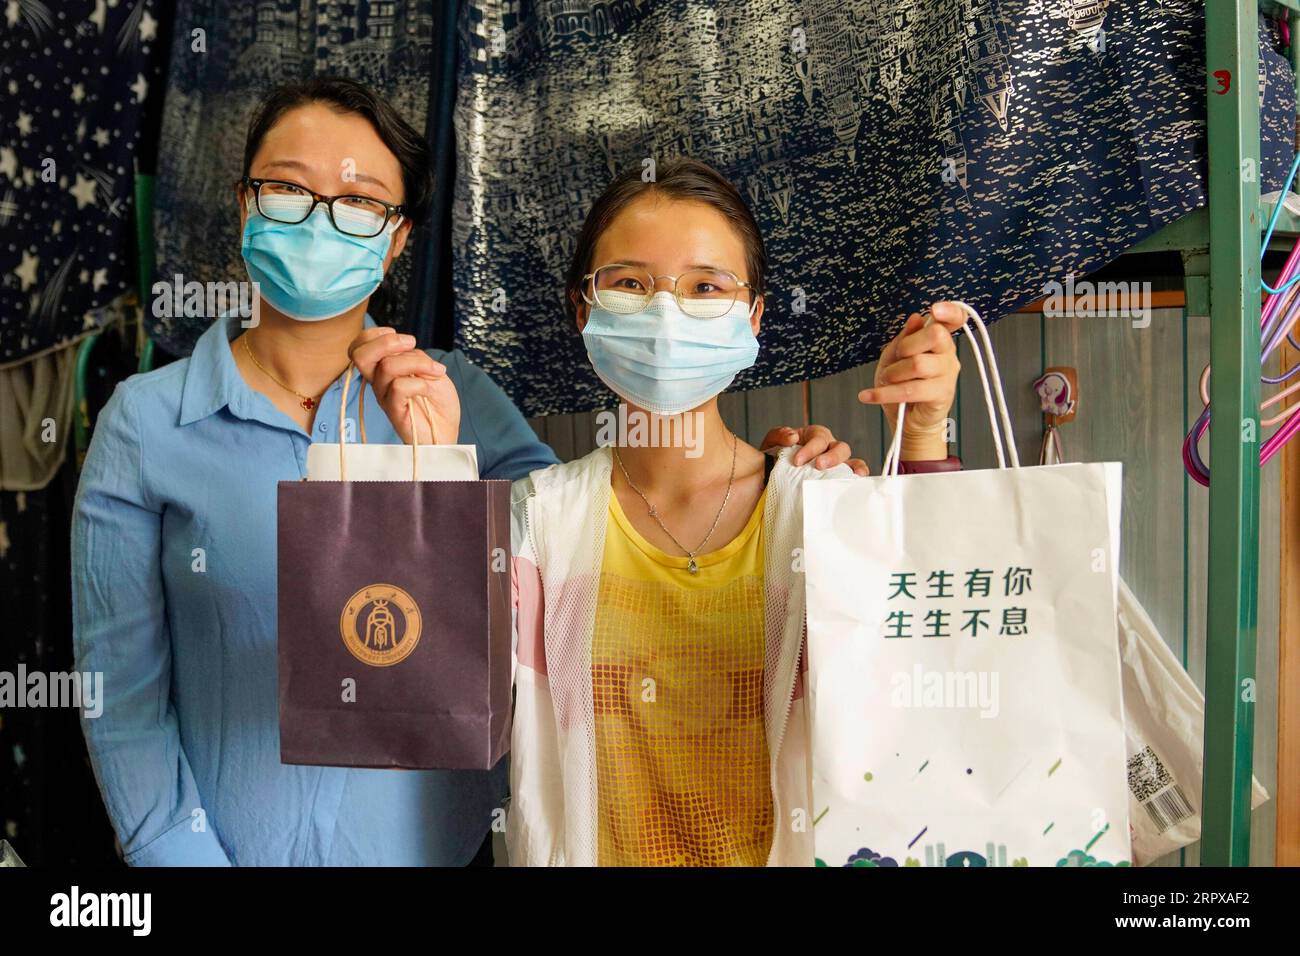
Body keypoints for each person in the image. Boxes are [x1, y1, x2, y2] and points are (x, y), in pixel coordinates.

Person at [71, 78, 857, 866]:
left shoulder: (458, 398)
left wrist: (783, 482)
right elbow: (122, 696)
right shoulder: (146, 424)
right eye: (287, 187)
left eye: (358, 199)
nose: (319, 218)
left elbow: (581, 565)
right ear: (246, 203)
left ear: (399, 236)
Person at [502, 158, 966, 866]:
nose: (665, 311)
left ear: (752, 317)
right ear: (582, 307)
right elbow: (429, 696)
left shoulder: (817, 507)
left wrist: (925, 434)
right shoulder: (537, 523)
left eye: (704, 287)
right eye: (629, 283)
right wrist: (419, 457)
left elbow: (934, 660)